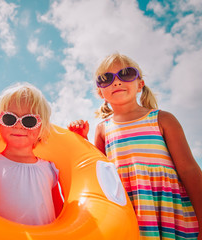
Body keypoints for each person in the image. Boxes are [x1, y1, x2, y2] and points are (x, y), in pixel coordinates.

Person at [68, 53, 202, 239]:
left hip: (167, 211)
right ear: (100, 92)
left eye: (126, 74)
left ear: (140, 84)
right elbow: (98, 174)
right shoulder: (102, 129)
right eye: (106, 78)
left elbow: (188, 169)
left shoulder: (162, 119)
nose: (116, 82)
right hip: (127, 211)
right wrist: (82, 140)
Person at [0, 83, 64, 225]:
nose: (19, 125)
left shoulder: (49, 168)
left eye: (29, 121)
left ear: (42, 127)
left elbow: (59, 212)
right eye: (9, 118)